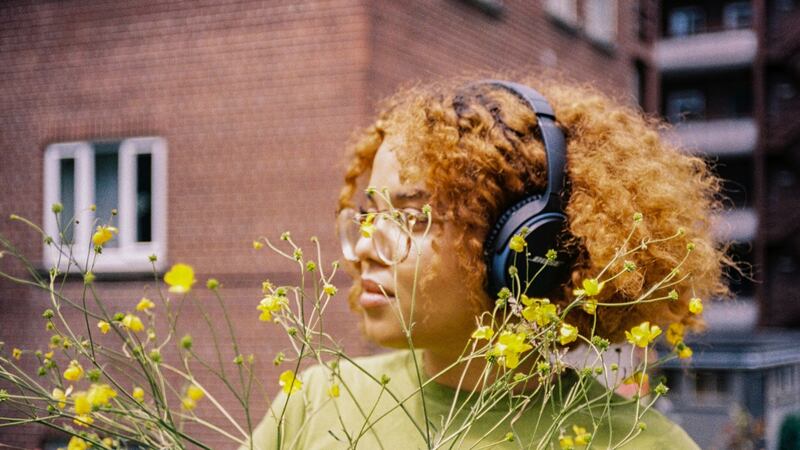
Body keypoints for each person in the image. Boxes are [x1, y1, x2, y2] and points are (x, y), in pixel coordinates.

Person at [244, 75, 728, 449]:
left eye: (412, 218)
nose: (367, 245)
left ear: (526, 245)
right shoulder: (316, 402)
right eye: (369, 216)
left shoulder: (640, 443)